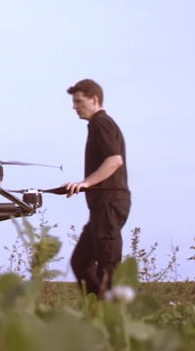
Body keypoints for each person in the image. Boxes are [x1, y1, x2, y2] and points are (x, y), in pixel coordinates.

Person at [61, 78, 131, 299]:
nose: (74, 106)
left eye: (78, 101)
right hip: (101, 207)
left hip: (109, 204)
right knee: (80, 262)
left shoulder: (101, 122)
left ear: (94, 100)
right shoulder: (96, 125)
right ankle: (100, 308)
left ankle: (117, 320)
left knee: (108, 268)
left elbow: (115, 160)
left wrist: (85, 183)